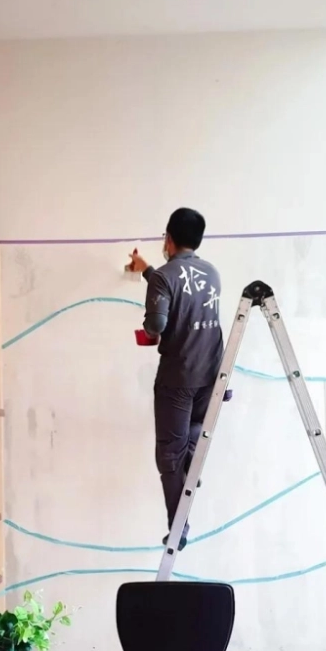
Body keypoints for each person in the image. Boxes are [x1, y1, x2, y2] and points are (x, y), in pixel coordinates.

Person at [126, 207, 223, 549]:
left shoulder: (164, 277)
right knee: (193, 435)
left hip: (177, 378)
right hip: (210, 376)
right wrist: (146, 270)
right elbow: (182, 292)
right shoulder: (212, 273)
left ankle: (178, 526)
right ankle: (190, 478)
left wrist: (151, 330)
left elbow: (157, 323)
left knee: (169, 456)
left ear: (168, 237)